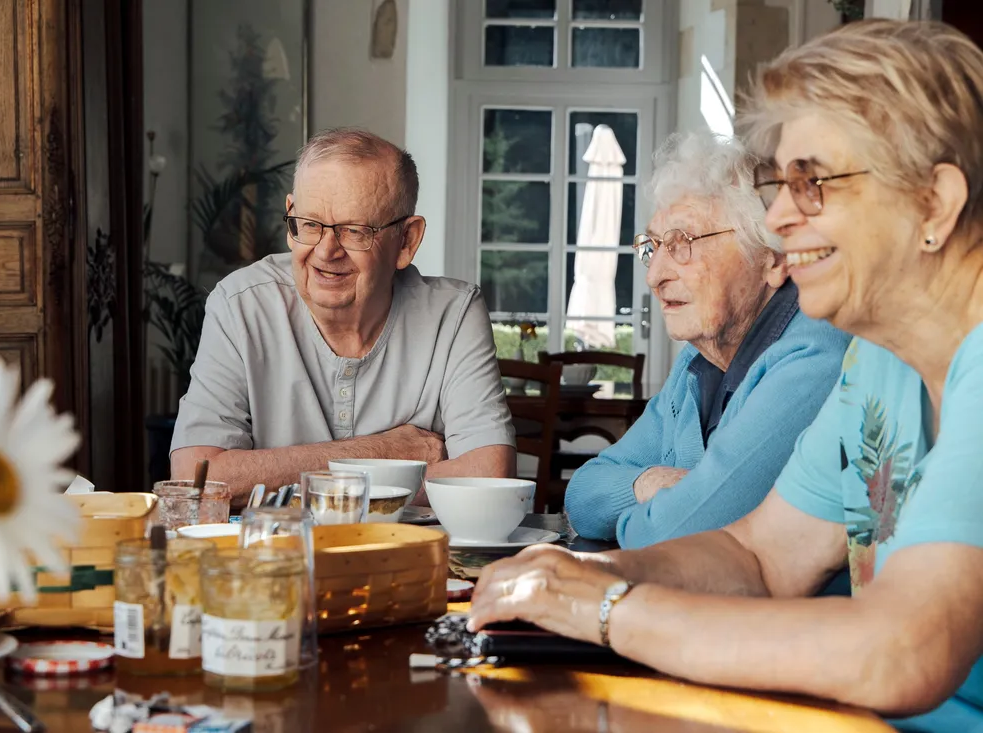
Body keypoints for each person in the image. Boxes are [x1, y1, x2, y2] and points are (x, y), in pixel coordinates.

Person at [469, 20, 983, 730]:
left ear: (935, 202)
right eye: (779, 185)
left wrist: (606, 608)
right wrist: (588, 574)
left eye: (813, 184)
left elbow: (903, 648)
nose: (775, 217)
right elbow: (761, 553)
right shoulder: (878, 363)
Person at [170, 128, 515, 506]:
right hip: (276, 558)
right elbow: (196, 479)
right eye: (311, 225)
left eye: (354, 230)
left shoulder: (454, 314)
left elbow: (489, 476)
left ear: (407, 241)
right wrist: (384, 452)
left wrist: (278, 481)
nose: (325, 252)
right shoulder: (240, 305)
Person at [565, 131, 850, 548]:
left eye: (683, 243)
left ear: (771, 258)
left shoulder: (814, 353)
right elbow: (582, 495)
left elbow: (681, 534)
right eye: (653, 246)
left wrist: (651, 514)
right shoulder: (696, 365)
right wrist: (648, 483)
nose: (654, 275)